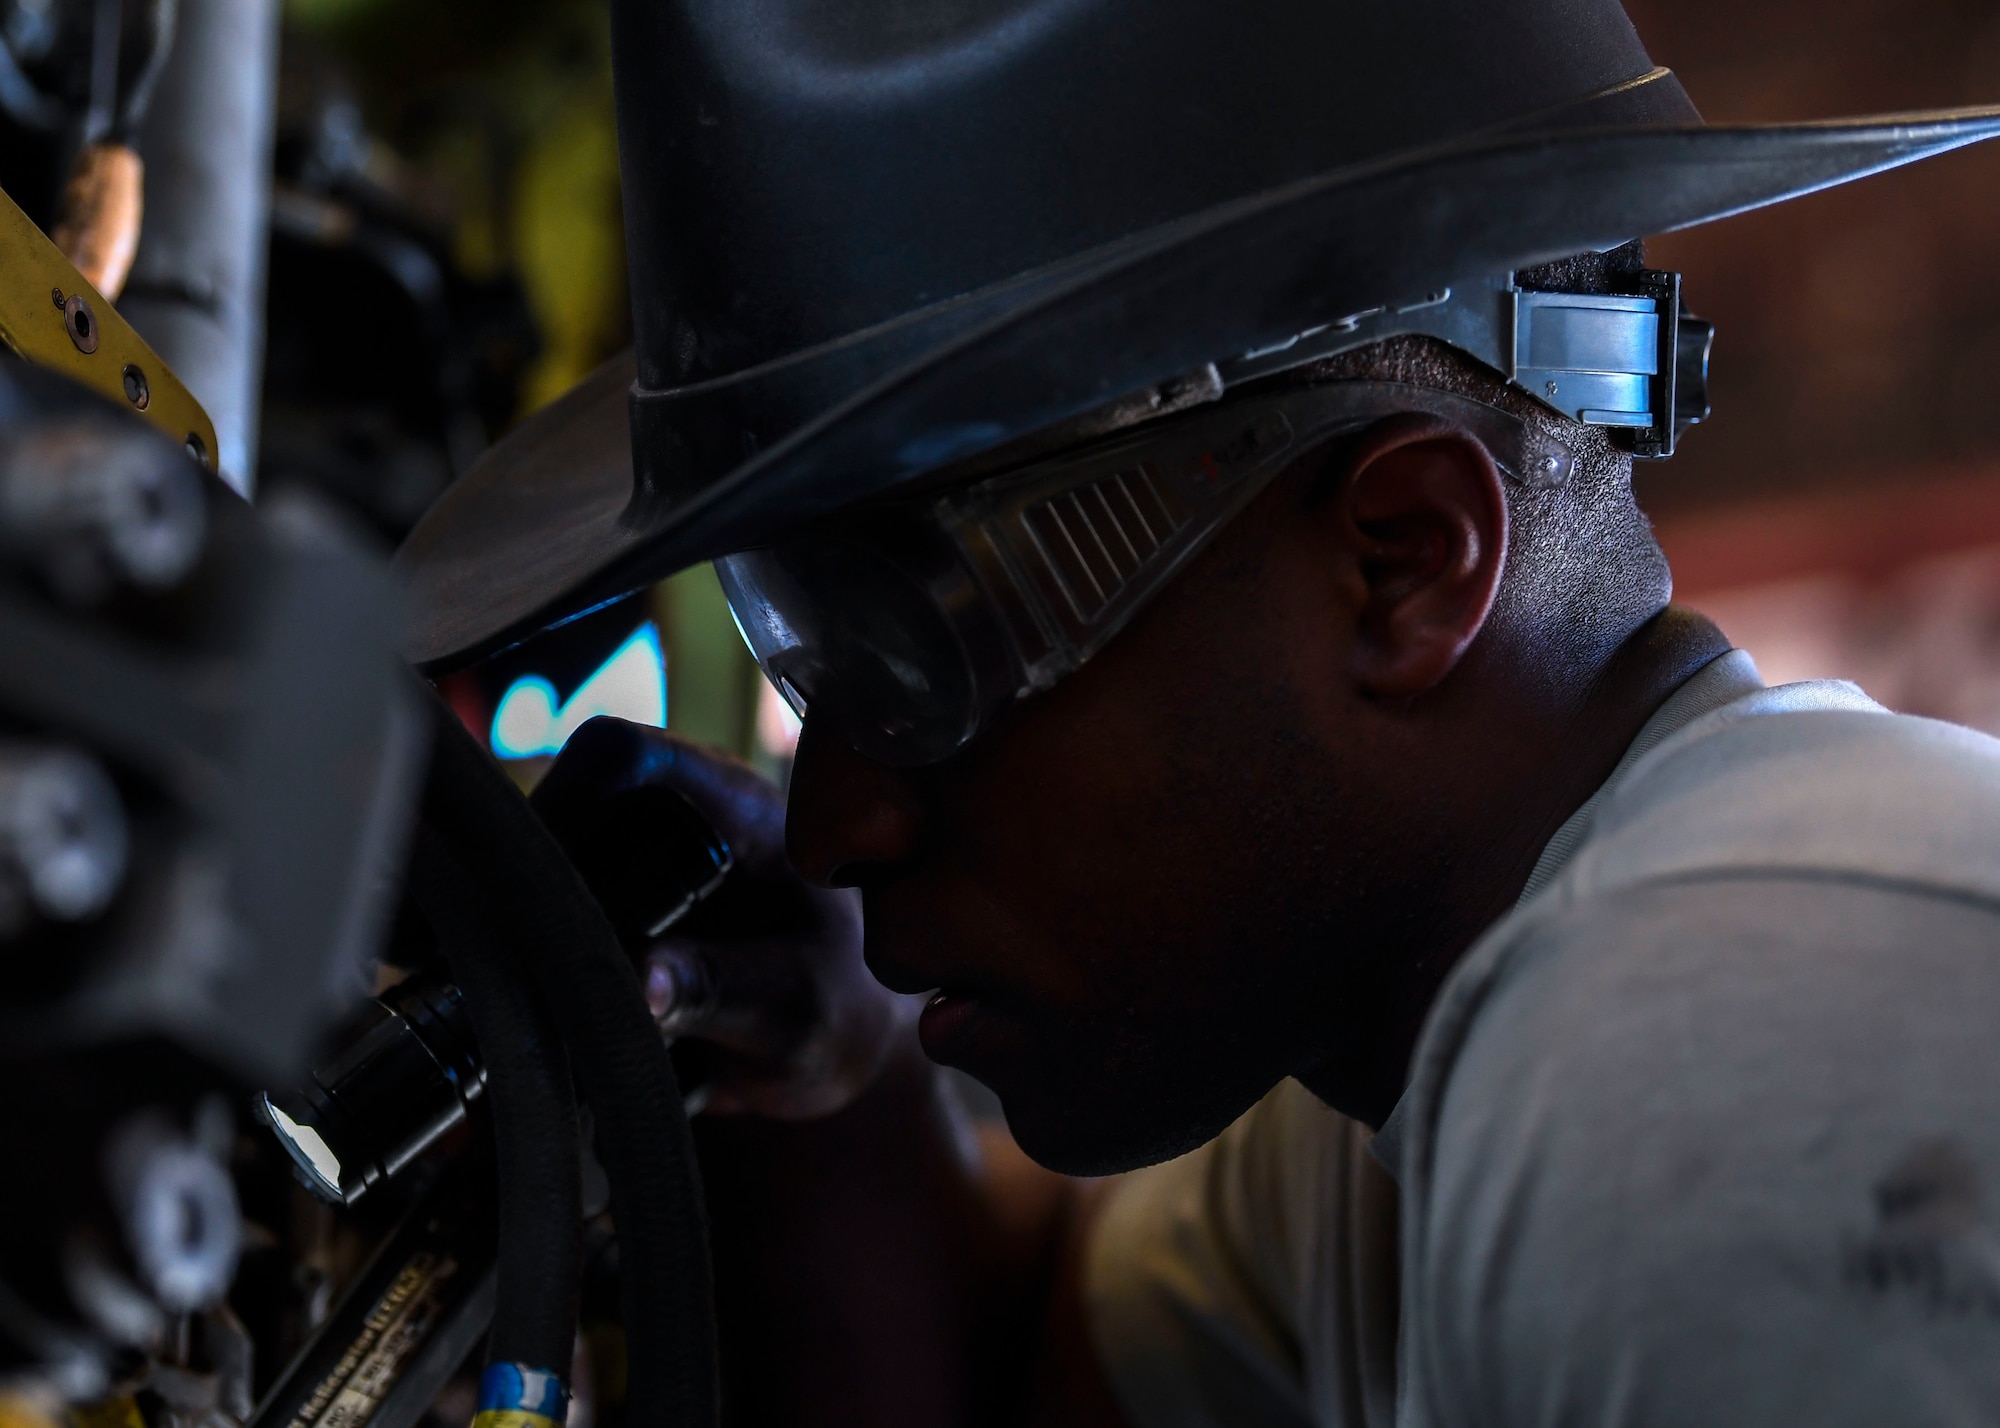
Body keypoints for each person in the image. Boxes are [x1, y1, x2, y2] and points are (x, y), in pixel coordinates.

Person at [399, 2, 2000, 1422]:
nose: (838, 826)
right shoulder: (1427, 1088)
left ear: (1400, 566)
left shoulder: (1718, 1065)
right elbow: (1017, 1365)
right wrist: (822, 1069)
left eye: (924, 653)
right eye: (814, 663)